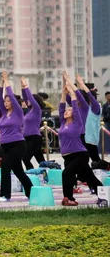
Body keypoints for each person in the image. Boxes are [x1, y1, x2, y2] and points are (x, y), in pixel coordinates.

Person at [58, 75, 103, 206]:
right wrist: (64, 88)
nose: (67, 111)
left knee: (66, 173)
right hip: (68, 156)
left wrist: (76, 89)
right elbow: (62, 107)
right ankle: (105, 193)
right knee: (89, 177)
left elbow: (77, 105)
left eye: (70, 109)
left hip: (80, 153)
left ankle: (69, 199)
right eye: (66, 110)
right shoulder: (63, 123)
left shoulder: (78, 121)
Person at [0, 71, 32, 202]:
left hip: (18, 144)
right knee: (18, 171)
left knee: (5, 166)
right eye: (5, 101)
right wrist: (1, 83)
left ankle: (5, 195)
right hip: (5, 146)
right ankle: (31, 191)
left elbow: (10, 94)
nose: (5, 103)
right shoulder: (4, 114)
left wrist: (7, 81)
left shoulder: (18, 112)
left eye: (8, 101)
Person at [76, 75, 102, 163]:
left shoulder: (96, 107)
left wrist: (82, 84)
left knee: (95, 159)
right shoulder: (84, 107)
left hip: (91, 138)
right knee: (83, 159)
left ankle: (104, 170)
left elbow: (90, 97)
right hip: (83, 136)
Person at [21, 77, 45, 170]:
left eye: (30, 100)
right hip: (27, 138)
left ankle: (31, 175)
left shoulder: (36, 109)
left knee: (26, 158)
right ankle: (49, 172)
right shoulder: (29, 110)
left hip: (34, 138)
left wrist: (26, 86)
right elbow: (25, 97)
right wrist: (22, 87)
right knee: (41, 160)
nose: (27, 101)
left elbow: (29, 97)